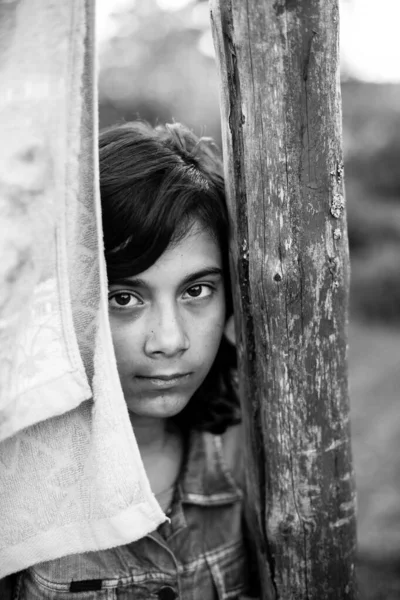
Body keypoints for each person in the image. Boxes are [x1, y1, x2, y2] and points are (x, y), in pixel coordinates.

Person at [15, 121, 259, 599]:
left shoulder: (254, 455)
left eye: (196, 290)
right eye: (124, 298)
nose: (168, 341)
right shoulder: (18, 485)